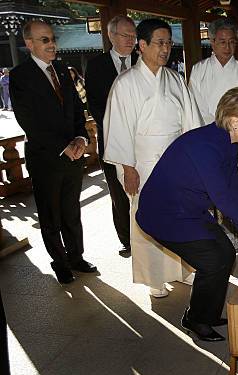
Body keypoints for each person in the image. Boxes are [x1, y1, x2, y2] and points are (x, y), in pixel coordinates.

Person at [136, 87, 238, 341]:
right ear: (234, 121)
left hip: (188, 208)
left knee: (224, 254)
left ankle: (204, 312)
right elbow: (222, 196)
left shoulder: (226, 141)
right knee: (213, 260)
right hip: (164, 214)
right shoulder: (204, 146)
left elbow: (233, 187)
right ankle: (196, 319)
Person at [103, 18, 201, 298]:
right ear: (142, 46)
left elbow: (190, 124)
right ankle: (154, 278)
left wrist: (193, 163)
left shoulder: (175, 80)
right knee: (148, 220)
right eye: (159, 42)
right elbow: (119, 129)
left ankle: (181, 270)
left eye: (169, 42)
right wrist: (128, 168)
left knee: (180, 217)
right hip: (143, 163)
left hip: (175, 163)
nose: (166, 48)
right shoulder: (125, 83)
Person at [10, 21, 97, 284]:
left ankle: (76, 256)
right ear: (30, 44)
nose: (52, 44)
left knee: (72, 209)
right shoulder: (20, 76)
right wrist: (64, 146)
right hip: (46, 157)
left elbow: (75, 109)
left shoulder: (62, 69)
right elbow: (28, 120)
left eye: (52, 39)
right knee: (51, 214)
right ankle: (59, 262)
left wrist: (81, 137)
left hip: (74, 153)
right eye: (45, 40)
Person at [188, 18, 238, 252]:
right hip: (209, 142)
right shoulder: (199, 71)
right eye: (222, 42)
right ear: (211, 41)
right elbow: (194, 107)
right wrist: (214, 133)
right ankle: (216, 246)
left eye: (232, 42)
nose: (227, 47)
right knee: (211, 193)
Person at [86, 15, 139, 258]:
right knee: (119, 193)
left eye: (133, 35)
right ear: (111, 36)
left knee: (145, 188)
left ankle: (149, 235)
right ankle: (127, 240)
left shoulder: (142, 60)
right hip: (111, 138)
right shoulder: (97, 66)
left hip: (143, 138)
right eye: (125, 35)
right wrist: (117, 127)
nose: (131, 39)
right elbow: (95, 105)